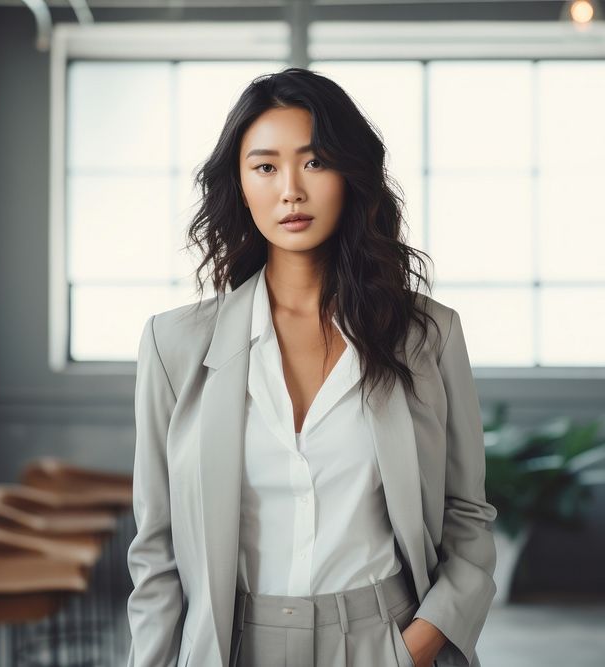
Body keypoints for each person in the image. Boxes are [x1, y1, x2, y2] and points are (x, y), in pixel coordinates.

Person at [126, 67, 497, 667]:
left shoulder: (427, 334)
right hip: (233, 645)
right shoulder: (173, 344)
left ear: (350, 176)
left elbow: (467, 513)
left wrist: (421, 643)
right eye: (266, 166)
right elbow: (157, 548)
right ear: (240, 185)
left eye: (315, 162)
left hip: (386, 640)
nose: (290, 190)